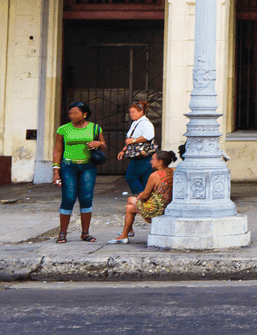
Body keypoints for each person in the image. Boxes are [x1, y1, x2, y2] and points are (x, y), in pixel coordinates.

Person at [51, 102, 103, 243]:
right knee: (68, 198)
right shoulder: (63, 129)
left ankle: (85, 233)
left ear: (84, 114)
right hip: (68, 166)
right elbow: (58, 149)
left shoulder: (95, 128)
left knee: (86, 198)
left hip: (88, 167)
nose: (72, 116)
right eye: (70, 113)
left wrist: (98, 143)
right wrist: (56, 170)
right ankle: (62, 233)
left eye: (75, 113)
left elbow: (103, 144)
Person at [115, 151, 177, 244]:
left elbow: (145, 195)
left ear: (160, 162)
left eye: (153, 160)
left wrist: (139, 199)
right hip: (168, 204)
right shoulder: (174, 171)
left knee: (130, 203)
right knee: (130, 205)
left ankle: (126, 233)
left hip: (157, 208)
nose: (151, 162)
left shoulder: (154, 175)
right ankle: (126, 232)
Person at [122, 102, 156, 196]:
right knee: (144, 179)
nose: (131, 114)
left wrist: (134, 140)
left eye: (133, 112)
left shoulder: (145, 123)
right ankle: (145, 202)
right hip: (137, 155)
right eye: (130, 112)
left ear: (141, 112)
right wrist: (123, 150)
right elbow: (130, 139)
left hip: (142, 155)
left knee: (131, 177)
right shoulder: (135, 123)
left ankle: (143, 198)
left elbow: (149, 136)